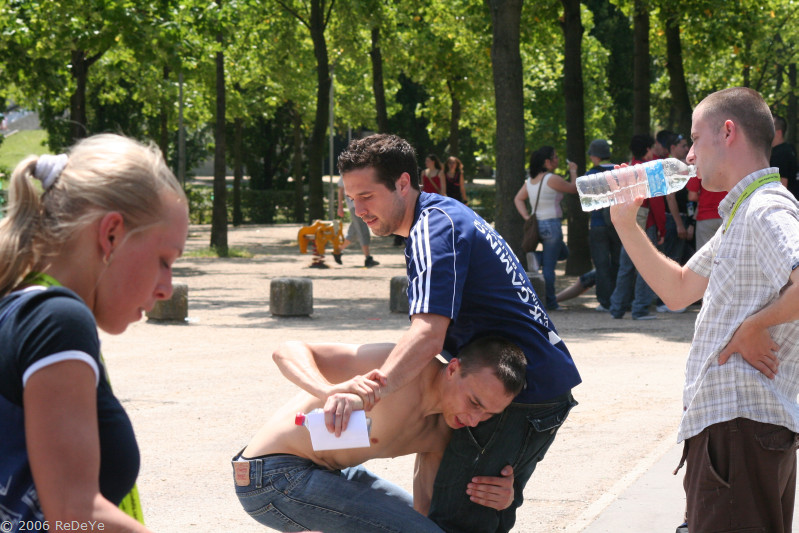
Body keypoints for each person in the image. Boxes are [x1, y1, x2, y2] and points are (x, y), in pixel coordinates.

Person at [338, 134, 580, 532]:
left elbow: (427, 334)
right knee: (462, 513)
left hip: (514, 392)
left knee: (457, 522)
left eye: (366, 196)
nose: (358, 209)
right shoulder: (443, 216)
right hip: (532, 387)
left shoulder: (434, 228)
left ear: (402, 183)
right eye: (351, 198)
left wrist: (369, 393)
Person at [610, 87, 799, 532]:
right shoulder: (745, 212)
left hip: (740, 430)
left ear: (727, 132)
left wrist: (753, 327)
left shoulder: (765, 207)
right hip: (738, 432)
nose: (689, 155)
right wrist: (624, 222)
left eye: (695, 139)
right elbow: (677, 290)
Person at [0, 134, 188, 531]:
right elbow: (73, 515)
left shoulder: (18, 308)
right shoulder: (57, 321)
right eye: (164, 260)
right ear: (112, 234)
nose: (167, 288)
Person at [233, 336, 527, 532]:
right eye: (474, 403)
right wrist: (327, 390)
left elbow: (426, 511)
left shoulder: (443, 431)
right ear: (453, 369)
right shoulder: (395, 369)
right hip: (269, 475)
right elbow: (286, 350)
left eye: (488, 414)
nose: (475, 420)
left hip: (331, 475)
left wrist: (504, 500)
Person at [513, 146, 578, 311]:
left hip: (537, 225)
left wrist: (527, 216)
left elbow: (518, 199)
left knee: (562, 253)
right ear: (547, 162)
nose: (557, 160)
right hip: (552, 224)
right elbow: (574, 188)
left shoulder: (530, 181)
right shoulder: (551, 178)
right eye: (555, 157)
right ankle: (551, 303)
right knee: (549, 267)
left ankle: (537, 257)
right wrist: (573, 171)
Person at [609, 134, 659, 320]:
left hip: (628, 222)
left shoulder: (628, 169)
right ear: (647, 149)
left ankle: (617, 308)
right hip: (646, 222)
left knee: (626, 267)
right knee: (646, 265)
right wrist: (661, 228)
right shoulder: (648, 170)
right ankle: (640, 308)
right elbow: (656, 203)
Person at [583, 139, 620, 312]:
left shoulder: (590, 175)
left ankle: (605, 301)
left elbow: (586, 201)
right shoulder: (619, 171)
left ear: (594, 156)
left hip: (598, 224)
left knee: (601, 264)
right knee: (618, 262)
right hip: (617, 224)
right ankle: (620, 298)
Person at [336, 176, 379, 267]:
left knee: (354, 233)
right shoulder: (345, 173)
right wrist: (340, 207)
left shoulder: (361, 171)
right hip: (355, 206)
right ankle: (368, 258)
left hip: (362, 205)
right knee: (363, 231)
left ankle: (338, 251)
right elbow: (340, 189)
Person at [770, 114, 797, 198]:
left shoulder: (780, 153)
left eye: (770, 129)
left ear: (778, 133)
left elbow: (782, 184)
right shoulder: (790, 148)